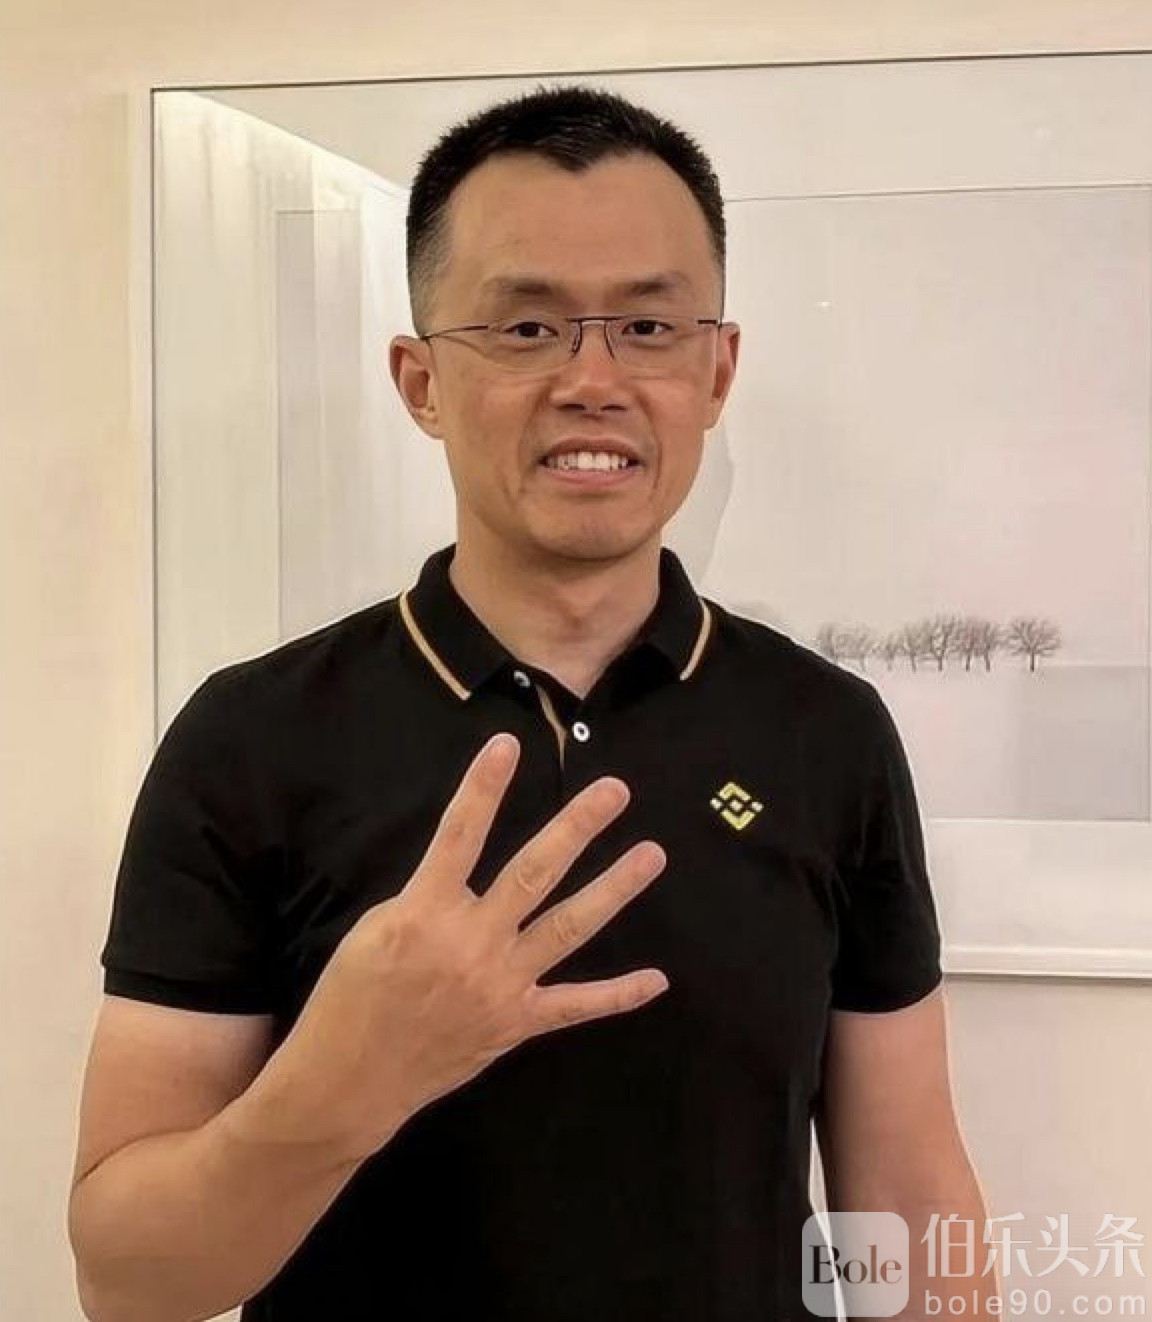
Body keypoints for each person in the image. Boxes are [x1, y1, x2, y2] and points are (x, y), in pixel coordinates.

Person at [69, 83, 993, 1322]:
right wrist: (337, 1087)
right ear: (420, 382)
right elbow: (129, 1282)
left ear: (717, 370)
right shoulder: (251, 738)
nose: (592, 379)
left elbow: (910, 1194)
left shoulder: (827, 731)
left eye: (648, 327)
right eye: (526, 327)